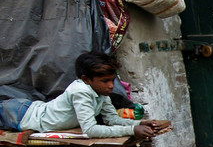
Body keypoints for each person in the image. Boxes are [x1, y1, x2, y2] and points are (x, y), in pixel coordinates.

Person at [0, 52, 169, 140]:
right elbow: (90, 130)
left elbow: (111, 119)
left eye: (112, 80)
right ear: (86, 79)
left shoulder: (101, 92)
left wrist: (140, 123)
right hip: (20, 114)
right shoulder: (81, 91)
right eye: (105, 81)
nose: (111, 86)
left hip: (27, 109)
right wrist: (132, 129)